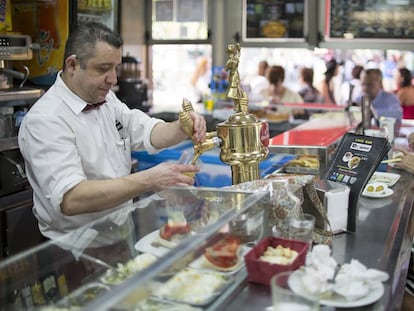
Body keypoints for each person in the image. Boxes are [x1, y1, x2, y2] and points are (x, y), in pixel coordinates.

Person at [18, 22, 207, 241]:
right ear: (72, 65)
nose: (113, 80)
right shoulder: (46, 120)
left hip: (119, 235)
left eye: (115, 68)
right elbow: (71, 198)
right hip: (72, 250)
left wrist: (180, 128)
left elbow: (144, 130)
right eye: (102, 69)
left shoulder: (106, 99)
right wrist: (150, 179)